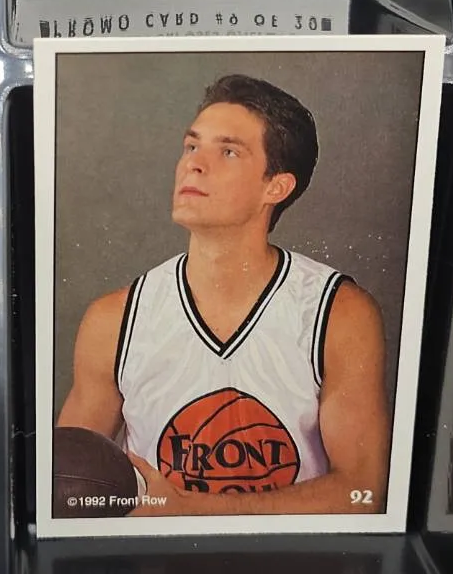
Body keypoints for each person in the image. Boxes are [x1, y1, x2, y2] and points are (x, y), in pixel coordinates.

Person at [57, 74, 390, 516]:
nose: (193, 164)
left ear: (276, 187)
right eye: (191, 146)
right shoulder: (114, 320)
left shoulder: (339, 313)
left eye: (228, 151)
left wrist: (190, 508)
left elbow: (361, 494)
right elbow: (64, 485)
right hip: (156, 555)